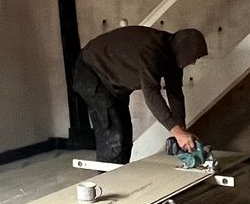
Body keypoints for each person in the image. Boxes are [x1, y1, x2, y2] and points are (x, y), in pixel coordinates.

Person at [72, 26, 209, 163]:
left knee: (125, 138)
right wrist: (177, 133)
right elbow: (151, 94)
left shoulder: (173, 55)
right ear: (184, 50)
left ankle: (119, 177)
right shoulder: (152, 50)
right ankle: (106, 182)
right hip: (91, 71)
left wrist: (182, 129)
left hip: (113, 82)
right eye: (193, 57)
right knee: (113, 137)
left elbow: (175, 94)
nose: (193, 62)